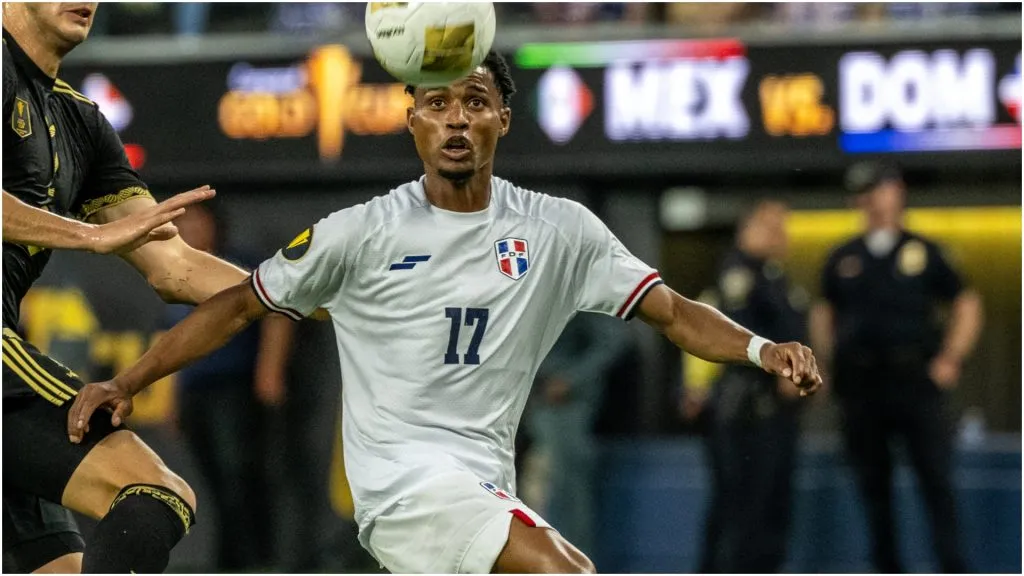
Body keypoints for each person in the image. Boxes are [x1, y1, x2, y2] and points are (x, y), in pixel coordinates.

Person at [68, 51, 823, 574]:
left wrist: (761, 350)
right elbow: (237, 307)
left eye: (475, 102)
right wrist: (129, 381)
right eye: (437, 104)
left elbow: (675, 312)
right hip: (403, 485)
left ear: (503, 121)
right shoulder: (360, 233)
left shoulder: (558, 232)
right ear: (413, 125)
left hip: (485, 477)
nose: (456, 119)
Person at [2, 3, 269, 573]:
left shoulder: (81, 123)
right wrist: (86, 235)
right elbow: (102, 237)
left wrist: (304, 292)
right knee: (155, 490)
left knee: (60, 565)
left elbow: (174, 266)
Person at [810, 162, 983, 573]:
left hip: (914, 380)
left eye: (877, 189)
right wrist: (826, 363)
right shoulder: (843, 256)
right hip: (862, 384)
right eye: (862, 192)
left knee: (936, 480)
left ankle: (952, 566)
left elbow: (967, 304)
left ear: (897, 192)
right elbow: (823, 313)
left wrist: (950, 358)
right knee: (873, 485)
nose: (869, 199)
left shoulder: (926, 251)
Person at [163, 203, 294, 572]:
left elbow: (279, 313)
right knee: (215, 486)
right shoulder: (173, 271)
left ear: (214, 224)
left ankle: (254, 564)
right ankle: (229, 564)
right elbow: (172, 341)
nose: (189, 229)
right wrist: (173, 397)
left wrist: (269, 371)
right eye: (181, 223)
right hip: (195, 392)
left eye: (195, 221)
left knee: (240, 479)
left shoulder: (237, 264)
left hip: (231, 390)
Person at [687, 200, 807, 573]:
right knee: (740, 509)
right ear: (747, 228)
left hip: (776, 413)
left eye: (782, 228)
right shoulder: (738, 273)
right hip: (745, 411)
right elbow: (739, 337)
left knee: (770, 508)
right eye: (770, 227)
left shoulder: (776, 277)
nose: (779, 236)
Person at [528, 312, 631, 558]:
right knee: (527, 486)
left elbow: (615, 339)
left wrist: (572, 379)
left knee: (568, 488)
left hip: (564, 404)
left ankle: (570, 563)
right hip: (524, 396)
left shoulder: (573, 276)